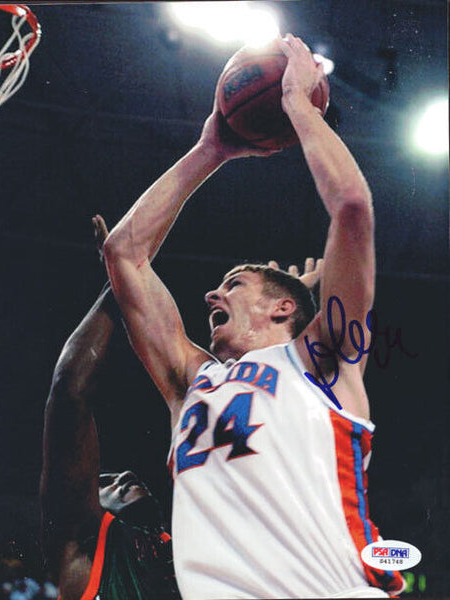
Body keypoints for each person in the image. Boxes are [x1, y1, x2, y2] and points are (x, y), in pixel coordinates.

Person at [103, 35, 406, 599]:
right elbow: (124, 253)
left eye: (234, 285)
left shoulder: (323, 360)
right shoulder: (190, 383)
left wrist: (297, 104)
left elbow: (351, 207)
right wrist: (209, 151)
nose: (211, 296)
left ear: (283, 307)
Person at [40, 216, 180, 600]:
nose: (125, 476)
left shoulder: (187, 551)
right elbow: (70, 392)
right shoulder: (84, 549)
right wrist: (120, 280)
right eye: (102, 482)